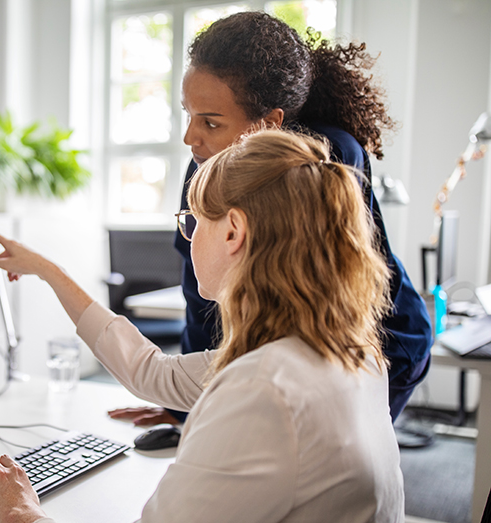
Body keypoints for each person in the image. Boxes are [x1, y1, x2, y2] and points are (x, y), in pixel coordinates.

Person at [0, 130, 405, 523]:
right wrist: (51, 271)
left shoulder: (264, 389)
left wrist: (20, 513)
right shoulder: (345, 352)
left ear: (233, 231)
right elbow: (153, 372)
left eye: (193, 222)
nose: (187, 239)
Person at [110, 11, 431, 428]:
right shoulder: (204, 164)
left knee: (317, 472)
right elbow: (200, 295)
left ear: (270, 122)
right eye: (188, 114)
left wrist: (216, 406)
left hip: (376, 344)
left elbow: (315, 305)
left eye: (210, 121)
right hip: (290, 355)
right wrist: (184, 406)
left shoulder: (325, 158)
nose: (191, 137)